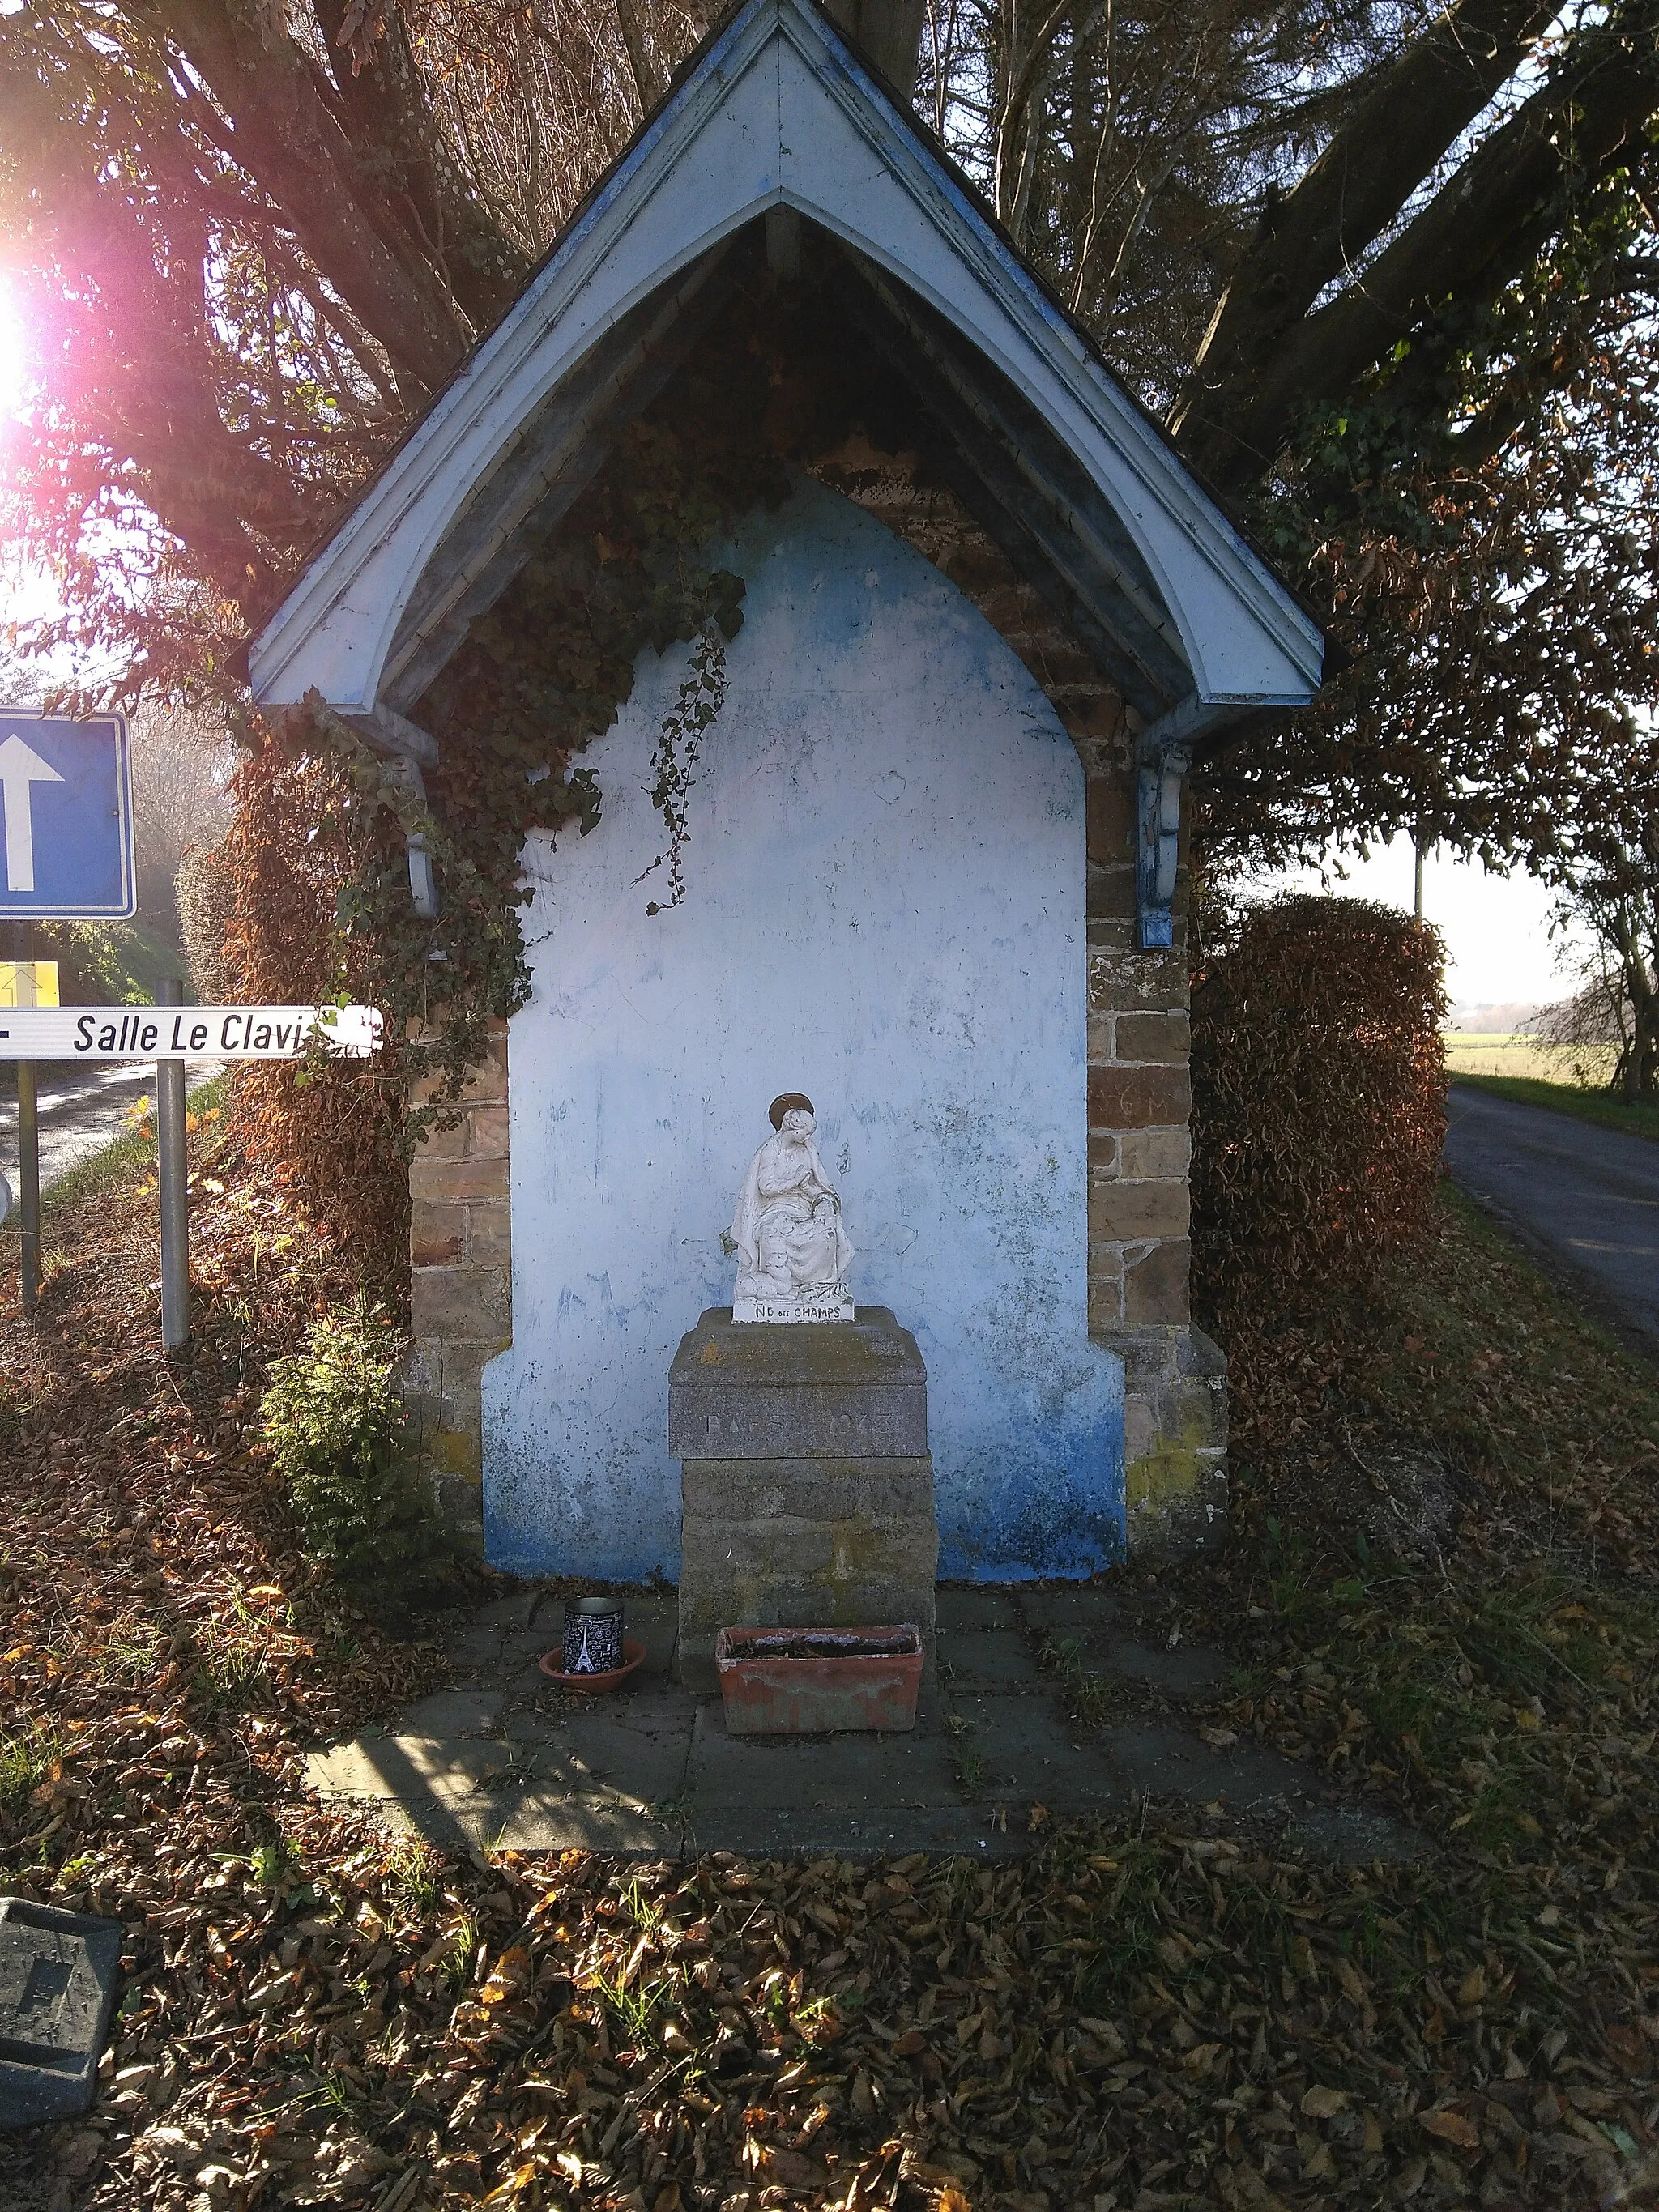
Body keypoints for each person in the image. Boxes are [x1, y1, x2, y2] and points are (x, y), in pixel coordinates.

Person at [731, 1093, 853, 1302]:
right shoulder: (770, 1150)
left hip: (803, 1210)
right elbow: (766, 1187)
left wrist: (823, 1200)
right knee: (775, 1231)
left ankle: (816, 1288)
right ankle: (779, 1285)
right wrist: (794, 1181)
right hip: (774, 1211)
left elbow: (819, 1186)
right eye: (805, 1134)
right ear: (792, 1128)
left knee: (826, 1235)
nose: (807, 1139)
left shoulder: (808, 1152)